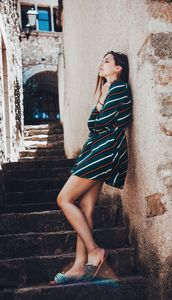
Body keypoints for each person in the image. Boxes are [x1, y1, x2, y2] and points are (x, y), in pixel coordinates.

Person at [50, 51, 133, 285]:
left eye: (107, 61)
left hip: (104, 150)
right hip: (97, 149)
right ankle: (78, 266)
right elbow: (93, 124)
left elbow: (103, 123)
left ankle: (94, 251)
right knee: (85, 210)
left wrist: (101, 102)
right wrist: (100, 100)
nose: (101, 64)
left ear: (118, 68)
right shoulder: (107, 90)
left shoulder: (118, 88)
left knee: (64, 199)